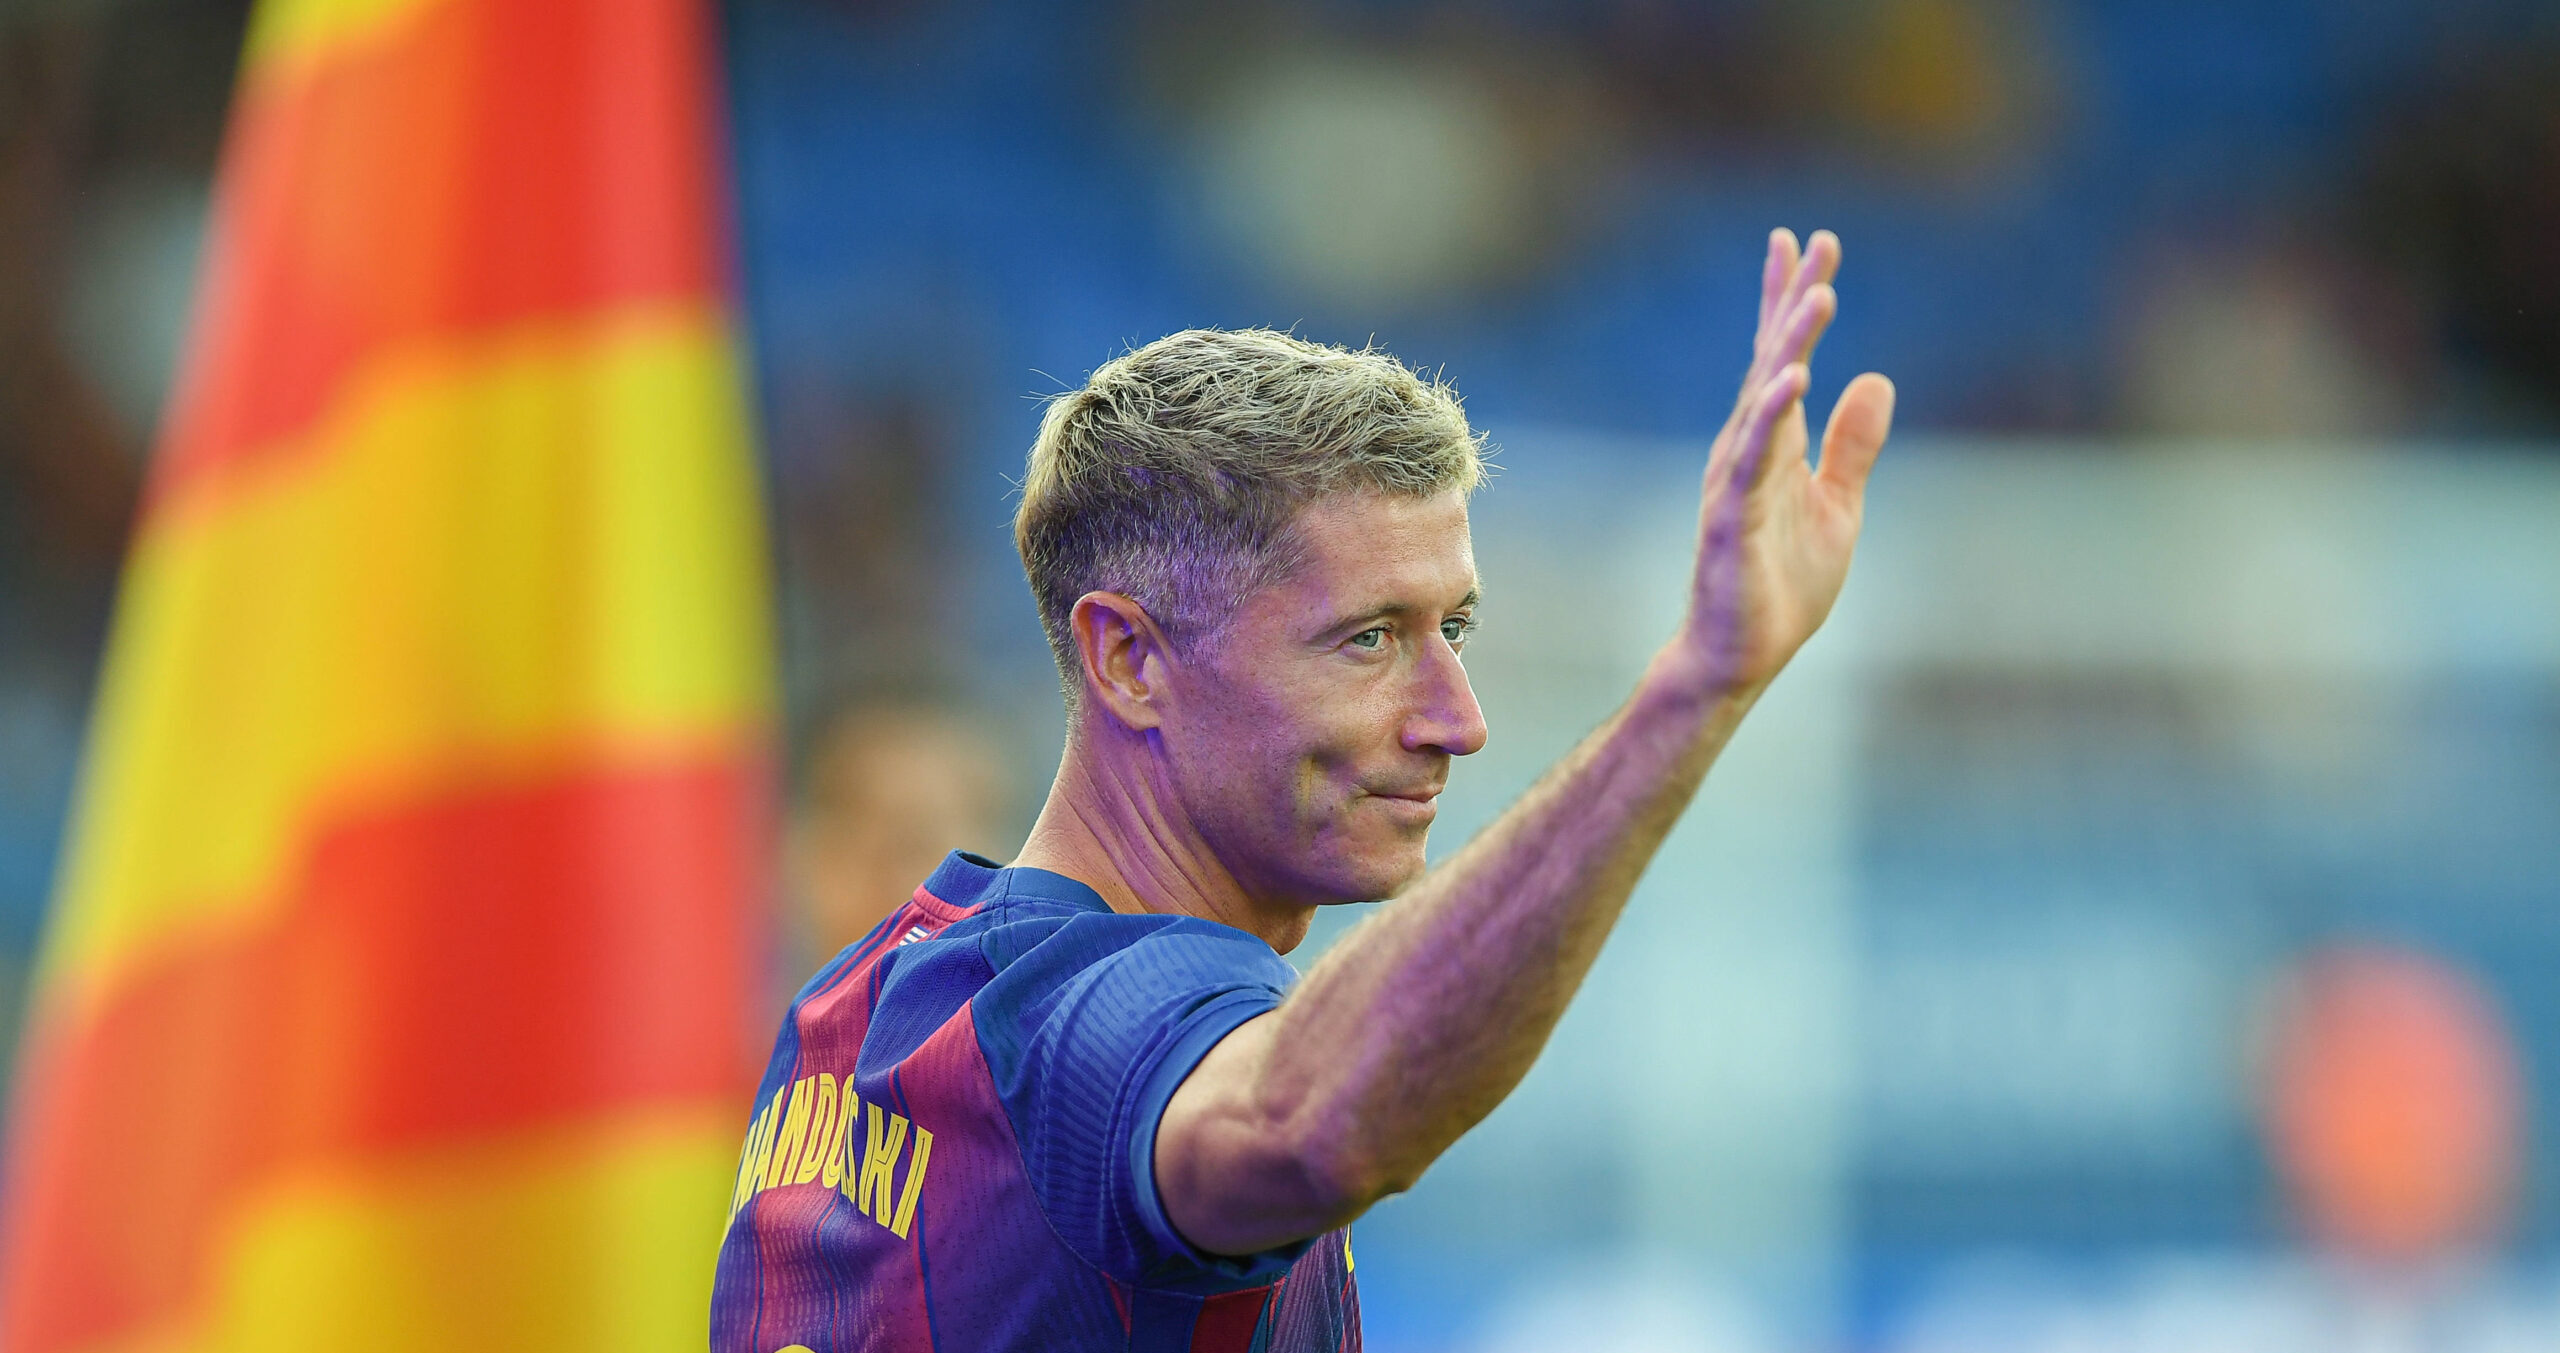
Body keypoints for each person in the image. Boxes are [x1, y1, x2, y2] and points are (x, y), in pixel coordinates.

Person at [708, 229, 1895, 1351]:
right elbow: (1296, 1123)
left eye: (1453, 629)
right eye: (1369, 638)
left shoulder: (853, 1007)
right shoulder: (1098, 1023)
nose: (1457, 722)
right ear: (1128, 659)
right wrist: (1688, 694)